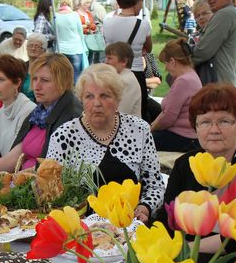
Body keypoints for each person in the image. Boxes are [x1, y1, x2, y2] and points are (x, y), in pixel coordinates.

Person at [158, 83, 236, 249]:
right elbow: (167, 218)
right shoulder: (185, 164)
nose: (214, 130)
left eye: (224, 121)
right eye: (205, 122)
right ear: (196, 127)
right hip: (184, 258)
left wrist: (186, 249)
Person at [47, 64, 163, 223]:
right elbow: (51, 191)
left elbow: (155, 186)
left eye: (104, 96)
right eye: (89, 96)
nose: (96, 103)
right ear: (81, 99)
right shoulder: (64, 136)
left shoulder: (139, 130)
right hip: (82, 227)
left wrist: (145, 208)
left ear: (117, 99)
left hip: (130, 223)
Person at [0, 53, 81, 173]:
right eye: (34, 79)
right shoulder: (39, 112)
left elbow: (53, 170)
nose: (36, 87)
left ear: (63, 82)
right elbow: (15, 157)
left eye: (45, 80)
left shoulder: (71, 117)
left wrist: (16, 181)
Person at [103, 0, 152, 119]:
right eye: (141, 1)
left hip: (112, 71)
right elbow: (149, 48)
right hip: (134, 71)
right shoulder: (143, 24)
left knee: (111, 109)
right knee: (136, 112)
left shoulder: (107, 22)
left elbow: (107, 45)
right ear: (136, 1)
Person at [150, 39, 202, 152]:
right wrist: (151, 126)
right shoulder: (191, 75)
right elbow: (166, 113)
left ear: (173, 61)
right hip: (187, 136)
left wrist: (150, 130)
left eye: (166, 63)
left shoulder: (183, 81)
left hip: (183, 138)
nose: (166, 68)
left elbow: (168, 117)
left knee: (137, 142)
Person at [189, 0, 236, 86]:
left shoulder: (224, 14)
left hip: (219, 85)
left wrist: (183, 63)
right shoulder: (231, 13)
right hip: (224, 82)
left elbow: (203, 51)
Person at [54, 0, 87, 82]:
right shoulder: (75, 15)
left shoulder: (55, 16)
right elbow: (80, 34)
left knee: (62, 78)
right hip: (75, 49)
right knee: (76, 77)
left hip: (60, 50)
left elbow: (54, 33)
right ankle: (77, 95)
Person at [104, 42, 141, 118]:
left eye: (110, 58)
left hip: (126, 127)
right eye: (106, 58)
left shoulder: (125, 81)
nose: (106, 62)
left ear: (124, 61)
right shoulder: (123, 77)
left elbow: (119, 113)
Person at [22, 33, 48, 102]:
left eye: (37, 46)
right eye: (30, 45)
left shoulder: (47, 69)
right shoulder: (21, 67)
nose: (33, 48)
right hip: (21, 105)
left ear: (44, 50)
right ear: (27, 48)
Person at [77, 0, 101, 65]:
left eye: (89, 3)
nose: (89, 5)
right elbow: (77, 28)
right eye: (87, 3)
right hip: (81, 39)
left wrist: (89, 26)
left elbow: (93, 26)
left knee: (90, 58)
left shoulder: (89, 13)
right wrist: (86, 28)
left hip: (90, 39)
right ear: (82, 4)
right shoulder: (76, 14)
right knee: (83, 59)